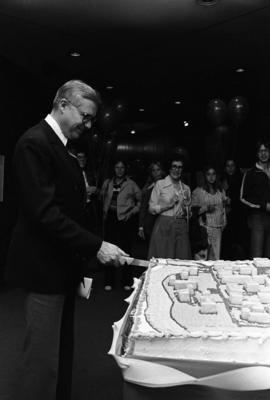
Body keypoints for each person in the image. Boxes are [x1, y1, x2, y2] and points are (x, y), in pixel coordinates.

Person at [5, 80, 127, 400]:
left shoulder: (60, 146)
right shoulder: (34, 143)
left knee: (59, 352)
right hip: (43, 269)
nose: (87, 126)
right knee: (42, 360)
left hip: (62, 266)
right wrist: (96, 246)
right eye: (85, 117)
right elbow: (45, 214)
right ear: (62, 105)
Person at [101, 160, 141, 290]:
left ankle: (127, 281)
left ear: (125, 169)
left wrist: (132, 211)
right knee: (109, 250)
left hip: (125, 220)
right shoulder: (108, 183)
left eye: (122, 167)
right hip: (110, 219)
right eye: (117, 167)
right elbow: (102, 197)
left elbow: (141, 201)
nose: (119, 170)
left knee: (126, 250)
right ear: (114, 169)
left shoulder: (131, 184)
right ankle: (109, 281)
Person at [148, 158, 191, 259]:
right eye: (174, 167)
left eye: (180, 167)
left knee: (180, 259)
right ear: (169, 169)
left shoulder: (186, 188)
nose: (177, 170)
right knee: (163, 258)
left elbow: (189, 213)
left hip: (181, 226)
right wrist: (168, 205)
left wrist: (186, 209)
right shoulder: (160, 184)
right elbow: (151, 208)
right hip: (164, 225)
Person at [240, 140, 270, 258]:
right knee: (257, 256)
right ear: (257, 154)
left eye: (266, 150)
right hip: (257, 218)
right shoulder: (250, 173)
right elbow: (243, 198)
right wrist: (264, 205)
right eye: (260, 151)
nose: (263, 154)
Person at [191, 166, 229, 260]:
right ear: (204, 176)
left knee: (215, 257)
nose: (211, 177)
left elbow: (223, 210)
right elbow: (192, 211)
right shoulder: (198, 191)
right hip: (204, 228)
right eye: (208, 174)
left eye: (213, 174)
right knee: (202, 257)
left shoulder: (220, 191)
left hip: (217, 228)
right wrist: (206, 208)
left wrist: (224, 222)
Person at [221, 159, 246, 259]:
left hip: (238, 216)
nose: (230, 168)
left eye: (232, 165)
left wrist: (232, 201)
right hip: (225, 217)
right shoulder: (221, 181)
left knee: (239, 241)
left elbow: (243, 198)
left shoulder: (241, 180)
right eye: (228, 165)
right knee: (226, 243)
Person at [138, 161, 165, 247]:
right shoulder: (148, 187)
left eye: (158, 169)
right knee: (152, 248)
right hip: (150, 222)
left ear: (162, 171)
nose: (156, 172)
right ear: (151, 172)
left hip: (165, 221)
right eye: (153, 170)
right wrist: (141, 226)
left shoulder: (168, 184)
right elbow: (143, 207)